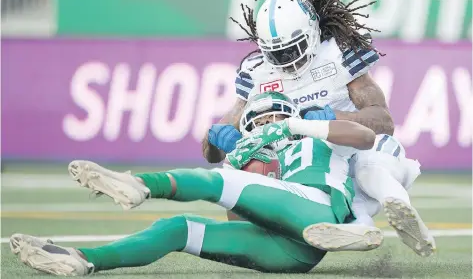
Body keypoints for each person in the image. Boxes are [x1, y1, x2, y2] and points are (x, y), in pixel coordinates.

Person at [203, 0, 435, 256]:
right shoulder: (256, 70)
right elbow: (211, 153)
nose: (285, 60)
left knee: (368, 166)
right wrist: (216, 140)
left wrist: (333, 118)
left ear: (312, 32)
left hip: (359, 151)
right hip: (307, 170)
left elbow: (384, 121)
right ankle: (357, 227)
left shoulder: (337, 53)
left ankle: (396, 207)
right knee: (250, 172)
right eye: (276, 53)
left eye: (292, 49)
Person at [10, 91, 381, 276]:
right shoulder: (246, 158)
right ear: (248, 129)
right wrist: (243, 161)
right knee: (175, 228)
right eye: (261, 121)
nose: (270, 124)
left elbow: (366, 137)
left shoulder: (314, 137)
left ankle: (138, 184)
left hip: (316, 205)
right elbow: (247, 224)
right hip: (290, 251)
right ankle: (84, 260)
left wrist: (298, 126)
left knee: (214, 181)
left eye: (276, 117)